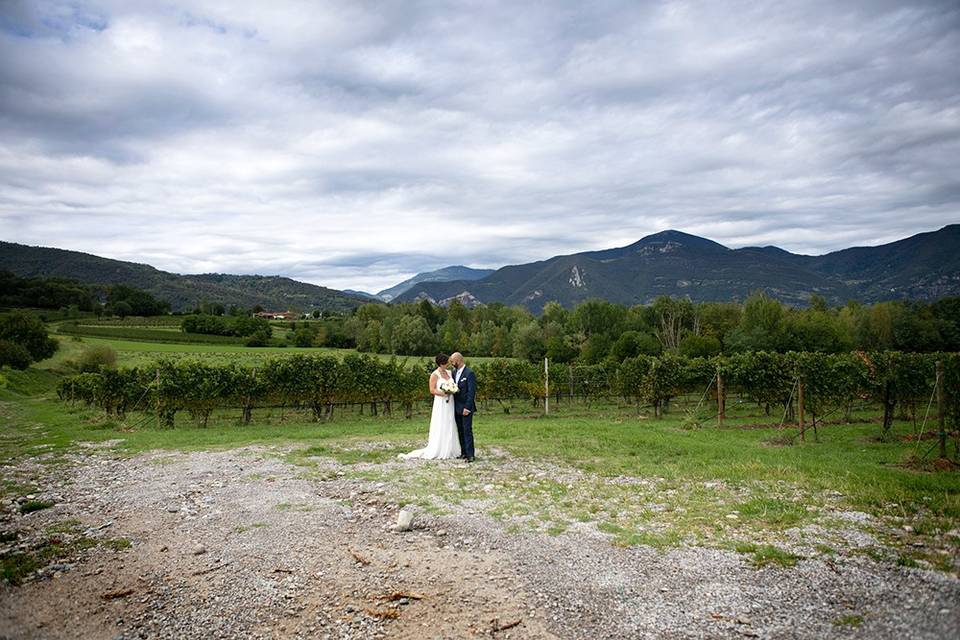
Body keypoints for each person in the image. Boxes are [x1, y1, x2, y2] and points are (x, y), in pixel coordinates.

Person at [398, 353, 461, 460]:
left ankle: (450, 448)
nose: (448, 365)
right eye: (446, 363)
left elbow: (453, 384)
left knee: (450, 422)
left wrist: (452, 390)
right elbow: (432, 390)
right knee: (441, 422)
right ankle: (439, 448)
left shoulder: (450, 373)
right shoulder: (435, 374)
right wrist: (444, 393)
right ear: (441, 364)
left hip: (450, 402)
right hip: (441, 402)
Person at [449, 352, 477, 462]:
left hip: (466, 407)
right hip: (456, 406)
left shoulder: (469, 373)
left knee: (467, 430)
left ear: (458, 360)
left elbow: (471, 392)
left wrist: (467, 407)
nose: (451, 363)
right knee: (460, 430)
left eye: (452, 361)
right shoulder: (454, 372)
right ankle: (464, 452)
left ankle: (470, 454)